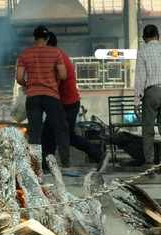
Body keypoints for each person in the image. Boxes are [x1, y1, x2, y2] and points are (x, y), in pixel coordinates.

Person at [41, 32, 109, 171]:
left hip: (67, 104)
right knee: (51, 133)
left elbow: (55, 82)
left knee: (56, 134)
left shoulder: (56, 58)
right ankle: (47, 164)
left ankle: (97, 154)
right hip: (65, 103)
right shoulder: (58, 55)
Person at [16, 25, 70, 175]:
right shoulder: (55, 52)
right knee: (60, 128)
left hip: (33, 96)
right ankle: (65, 162)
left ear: (34, 38)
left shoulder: (25, 54)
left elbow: (19, 78)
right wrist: (53, 81)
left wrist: (28, 85)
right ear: (46, 38)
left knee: (34, 132)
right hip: (51, 95)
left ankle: (35, 165)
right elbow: (63, 75)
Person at [135, 24, 161, 168]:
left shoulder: (142, 52)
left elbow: (140, 77)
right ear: (158, 36)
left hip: (151, 92)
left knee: (148, 129)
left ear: (144, 38)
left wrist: (137, 100)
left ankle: (149, 162)